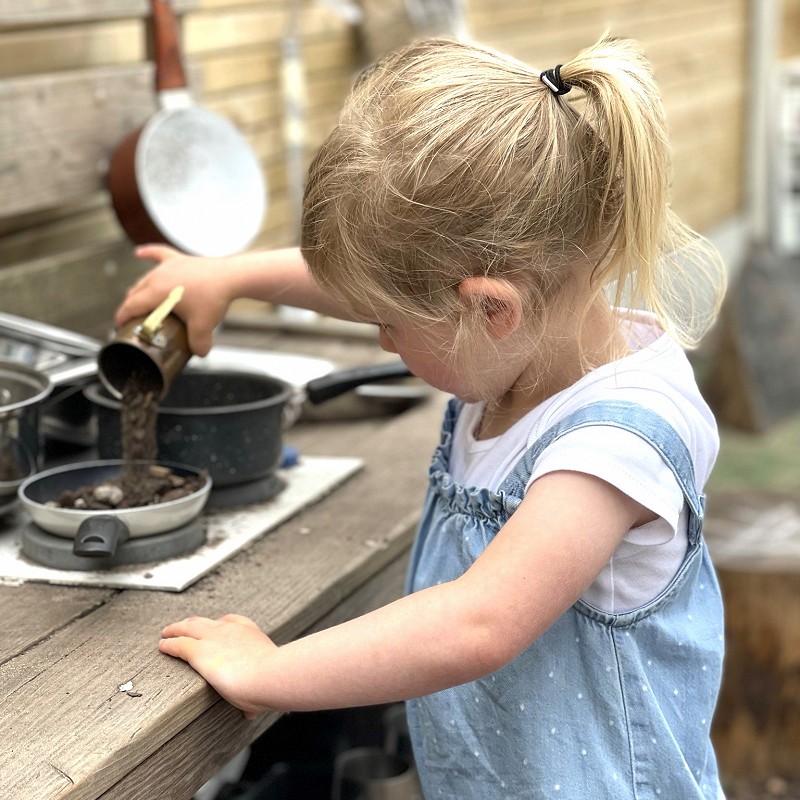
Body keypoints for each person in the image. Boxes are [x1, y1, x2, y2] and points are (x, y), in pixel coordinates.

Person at [117, 34, 728, 800]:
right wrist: (230, 276)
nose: (378, 338)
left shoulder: (614, 444)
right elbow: (389, 285)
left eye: (387, 327)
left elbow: (479, 624)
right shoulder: (529, 332)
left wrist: (269, 670)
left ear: (488, 310)